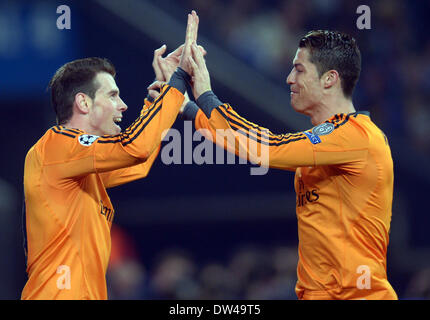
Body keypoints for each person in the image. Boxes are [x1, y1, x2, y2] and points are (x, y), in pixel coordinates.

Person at [174, 30, 397, 300]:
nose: (290, 79)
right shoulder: (330, 142)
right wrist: (187, 107)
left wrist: (206, 94)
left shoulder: (356, 136)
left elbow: (266, 148)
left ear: (330, 79)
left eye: (299, 70)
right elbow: (247, 145)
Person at [21, 11, 200, 300]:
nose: (122, 104)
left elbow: (138, 162)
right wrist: (178, 82)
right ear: (83, 102)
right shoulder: (57, 146)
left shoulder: (80, 161)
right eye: (113, 95)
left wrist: (159, 96)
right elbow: (135, 147)